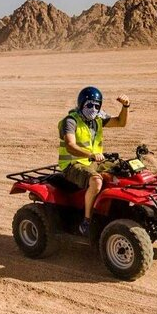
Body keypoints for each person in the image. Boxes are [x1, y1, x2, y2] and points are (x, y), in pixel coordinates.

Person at [57, 86, 130, 235]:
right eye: (89, 105)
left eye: (97, 105)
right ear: (81, 104)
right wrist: (90, 155)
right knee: (96, 182)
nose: (93, 108)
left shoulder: (98, 119)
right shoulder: (70, 121)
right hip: (73, 164)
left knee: (125, 170)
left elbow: (121, 122)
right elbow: (70, 146)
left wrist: (125, 106)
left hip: (94, 162)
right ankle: (87, 221)